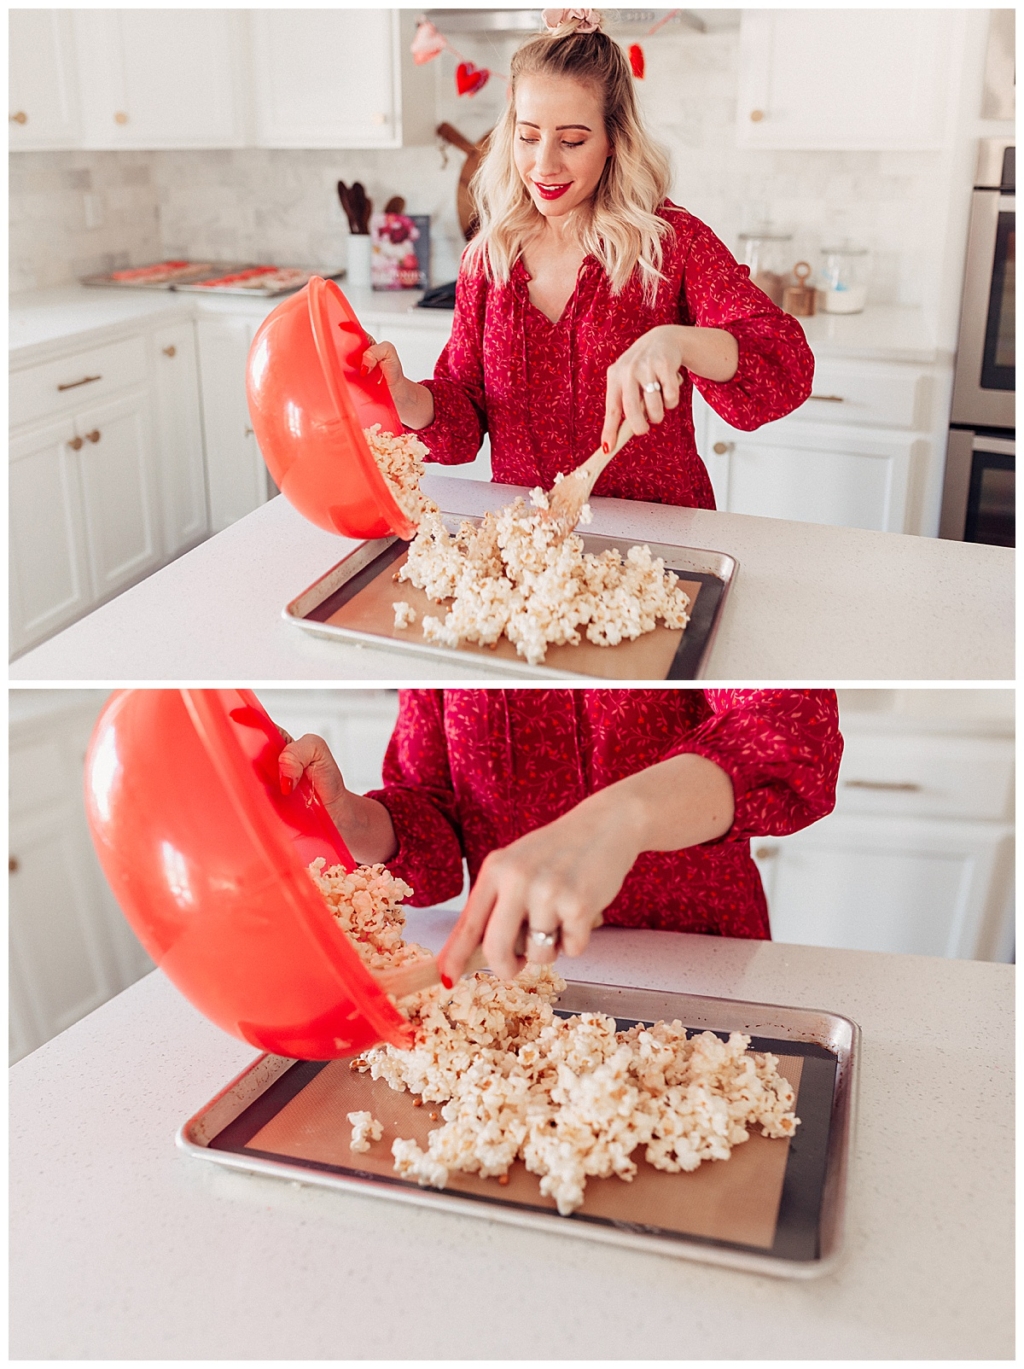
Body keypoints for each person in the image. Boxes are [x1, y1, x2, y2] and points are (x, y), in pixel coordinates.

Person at [361, 8, 814, 510]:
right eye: (528, 137)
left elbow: (783, 366)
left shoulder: (671, 243)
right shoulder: (488, 257)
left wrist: (677, 341)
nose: (544, 165)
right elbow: (463, 420)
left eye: (572, 141)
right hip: (531, 539)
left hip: (658, 535)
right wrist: (402, 394)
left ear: (614, 140)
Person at [279, 689, 842, 983]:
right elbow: (433, 817)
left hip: (702, 954)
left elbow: (790, 728)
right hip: (521, 974)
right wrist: (346, 819)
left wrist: (620, 818)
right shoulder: (449, 609)